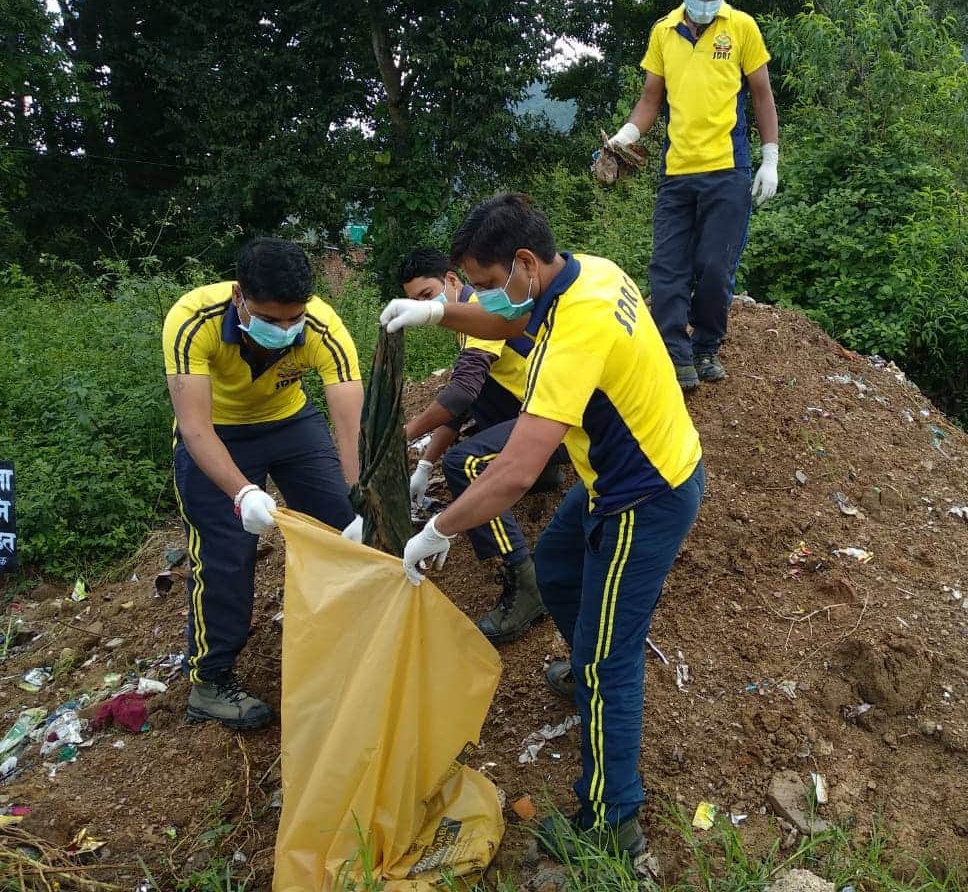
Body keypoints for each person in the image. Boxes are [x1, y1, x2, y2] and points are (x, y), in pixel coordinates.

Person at [380, 193, 705, 859]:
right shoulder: (587, 272)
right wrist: (439, 311)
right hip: (618, 473)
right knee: (556, 567)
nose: (490, 297)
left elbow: (517, 470)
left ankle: (610, 823)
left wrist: (439, 527)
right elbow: (508, 323)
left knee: (608, 662)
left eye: (493, 284)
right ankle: (587, 666)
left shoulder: (573, 330)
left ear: (525, 263)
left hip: (642, 498)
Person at [163, 238, 363, 729]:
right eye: (271, 320)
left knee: (342, 525)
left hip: (290, 422)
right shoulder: (194, 320)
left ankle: (351, 640)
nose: (285, 330)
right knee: (226, 553)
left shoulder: (319, 325)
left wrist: (357, 496)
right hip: (219, 430)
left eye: (293, 318)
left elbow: (349, 424)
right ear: (239, 297)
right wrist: (243, 491)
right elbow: (194, 427)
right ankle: (210, 681)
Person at [606, 0, 779, 390]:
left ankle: (705, 349)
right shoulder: (663, 31)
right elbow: (650, 99)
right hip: (677, 171)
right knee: (667, 268)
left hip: (728, 169)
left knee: (714, 267)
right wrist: (625, 135)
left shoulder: (742, 28)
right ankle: (676, 356)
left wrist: (770, 158)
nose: (705, 3)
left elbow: (761, 94)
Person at [395, 247, 559, 645]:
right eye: (414, 299)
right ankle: (544, 475)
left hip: (556, 422)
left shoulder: (479, 312)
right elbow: (467, 398)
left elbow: (460, 395)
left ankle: (524, 581)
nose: (424, 305)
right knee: (477, 397)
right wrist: (424, 467)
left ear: (452, 281)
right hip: (536, 408)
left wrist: (405, 434)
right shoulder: (466, 320)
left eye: (427, 293)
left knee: (465, 465)